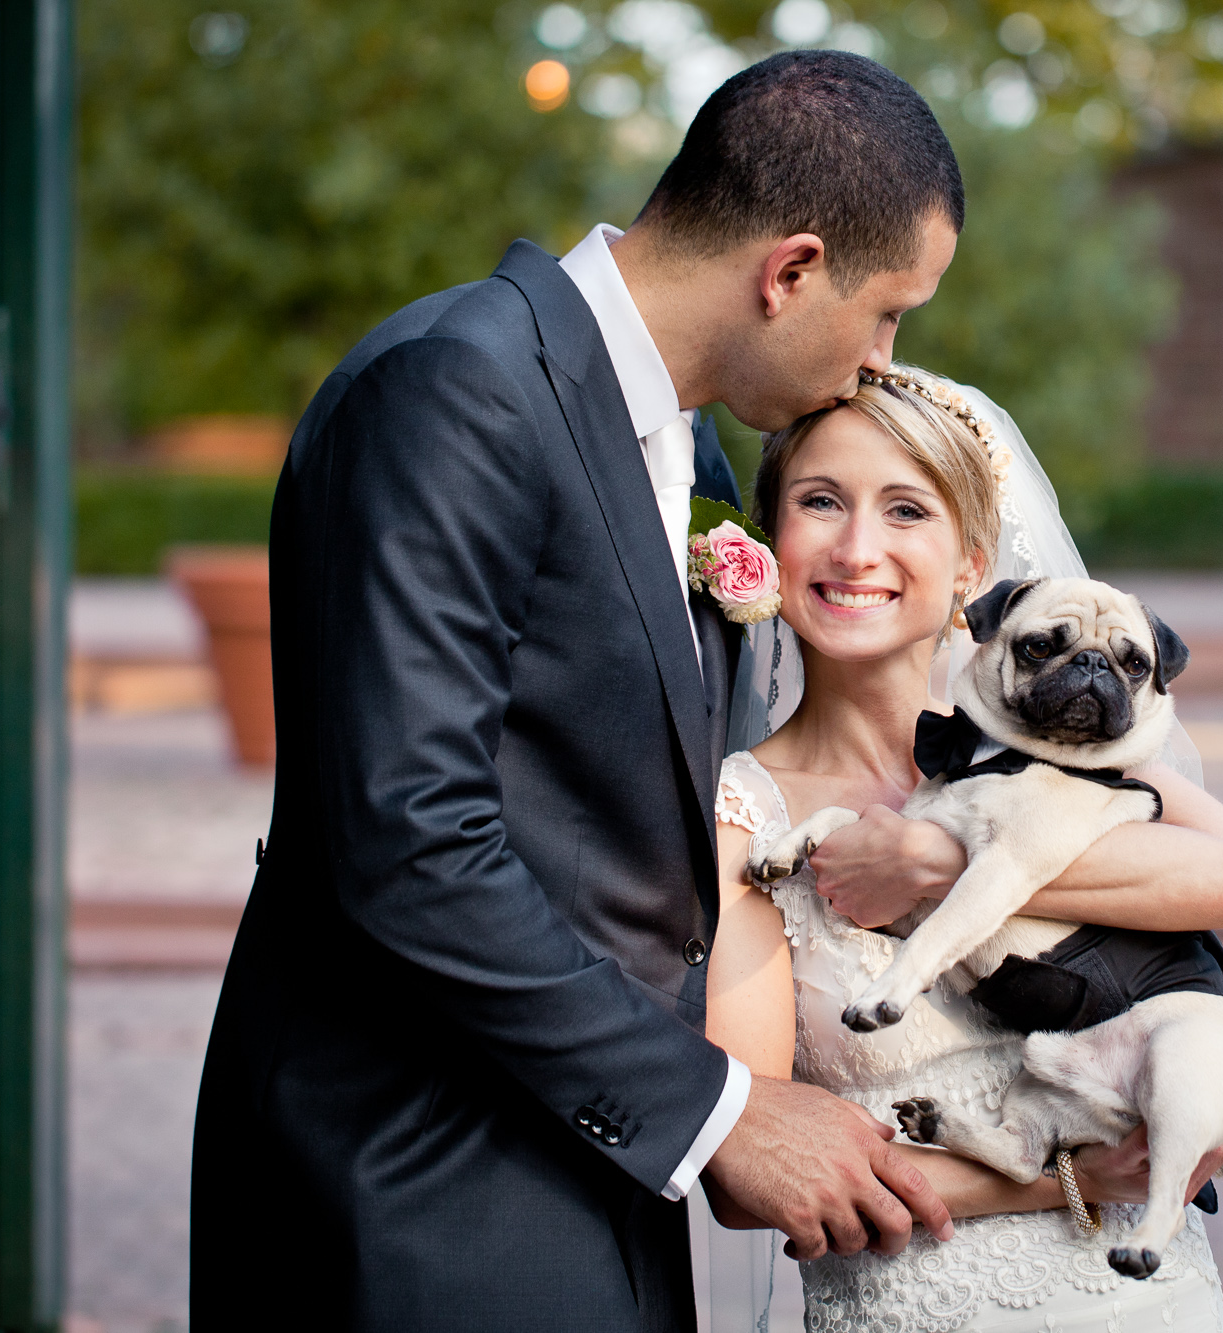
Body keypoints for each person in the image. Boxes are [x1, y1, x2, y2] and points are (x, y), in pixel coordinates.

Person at [191, 51, 968, 1330]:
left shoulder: (685, 445)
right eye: (887, 312)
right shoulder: (453, 388)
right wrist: (719, 1113)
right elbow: (408, 838)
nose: (879, 361)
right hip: (418, 1187)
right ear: (789, 271)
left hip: (592, 1172)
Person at [703, 366, 1223, 1331]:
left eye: (906, 509)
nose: (858, 547)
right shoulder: (744, 816)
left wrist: (936, 863)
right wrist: (1075, 1176)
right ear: (768, 538)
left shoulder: (1069, 747)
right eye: (821, 501)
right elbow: (748, 1179)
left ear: (974, 566)